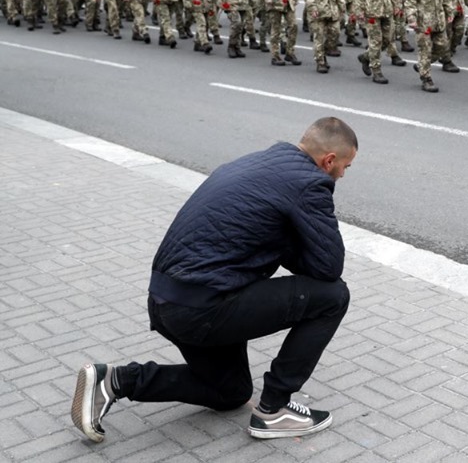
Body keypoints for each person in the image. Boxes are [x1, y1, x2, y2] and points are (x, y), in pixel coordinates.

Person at [71, 117, 356, 443]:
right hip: (204, 307)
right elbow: (329, 268)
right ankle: (275, 410)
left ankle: (116, 381)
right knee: (333, 296)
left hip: (168, 301)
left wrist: (285, 243)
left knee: (230, 391)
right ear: (329, 160)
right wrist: (295, 243)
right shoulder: (309, 183)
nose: (344, 174)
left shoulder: (256, 162)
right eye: (346, 166)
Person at [405, 0, 454, 92]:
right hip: (423, 19)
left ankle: (422, 65)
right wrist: (412, 18)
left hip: (438, 18)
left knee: (442, 47)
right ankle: (426, 78)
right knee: (425, 50)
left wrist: (449, 11)